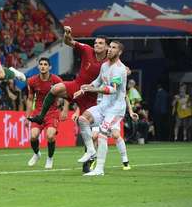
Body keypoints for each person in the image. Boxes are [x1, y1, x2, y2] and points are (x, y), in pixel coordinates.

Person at [27, 26, 108, 168]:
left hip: (91, 95)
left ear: (107, 46)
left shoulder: (109, 61)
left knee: (87, 128)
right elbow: (68, 42)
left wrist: (125, 70)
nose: (96, 45)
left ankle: (87, 164)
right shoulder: (87, 50)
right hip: (77, 85)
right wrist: (66, 34)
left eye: (100, 43)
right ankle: (41, 116)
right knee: (55, 89)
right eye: (95, 43)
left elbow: (119, 68)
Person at [74, 41, 127, 176]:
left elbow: (113, 89)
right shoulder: (104, 65)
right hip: (104, 106)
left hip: (116, 109)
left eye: (113, 48)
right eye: (109, 46)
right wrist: (85, 88)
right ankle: (91, 151)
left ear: (119, 52)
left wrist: (95, 89)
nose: (109, 49)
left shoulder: (119, 69)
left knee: (103, 133)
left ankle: (99, 169)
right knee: (82, 119)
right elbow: (97, 81)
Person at [26, 57, 68, 169]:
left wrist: (65, 109)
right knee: (33, 136)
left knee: (50, 136)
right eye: (41, 64)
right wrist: (27, 116)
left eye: (45, 64)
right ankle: (37, 154)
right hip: (38, 113)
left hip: (52, 113)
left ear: (49, 67)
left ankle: (50, 158)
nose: (43, 66)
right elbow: (30, 99)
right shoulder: (32, 81)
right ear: (38, 66)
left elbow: (66, 95)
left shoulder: (56, 80)